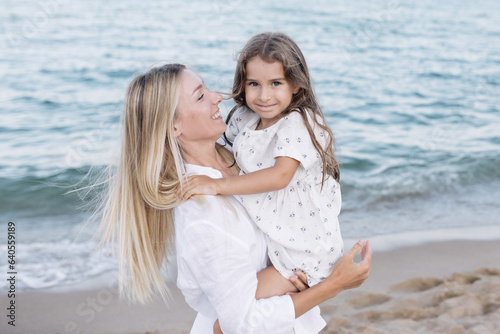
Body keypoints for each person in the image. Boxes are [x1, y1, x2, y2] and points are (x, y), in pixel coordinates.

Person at [98, 63, 372, 334]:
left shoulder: (242, 156)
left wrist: (294, 272)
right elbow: (240, 325)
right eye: (200, 96)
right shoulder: (201, 214)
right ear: (173, 127)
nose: (217, 97)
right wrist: (332, 285)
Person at [178, 32, 343, 287]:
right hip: (272, 238)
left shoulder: (299, 122)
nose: (264, 96)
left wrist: (215, 186)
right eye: (254, 84)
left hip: (305, 247)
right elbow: (220, 152)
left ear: (296, 85)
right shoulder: (244, 117)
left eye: (276, 83)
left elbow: (280, 176)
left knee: (244, 305)